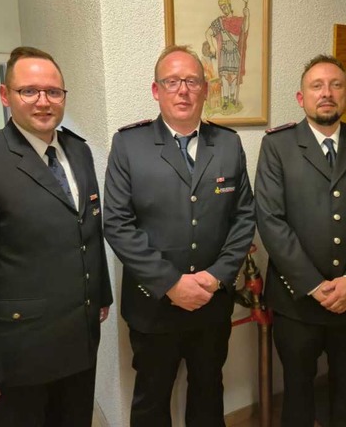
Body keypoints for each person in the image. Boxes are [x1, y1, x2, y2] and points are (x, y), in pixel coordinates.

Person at [0, 46, 113, 426]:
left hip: (79, 341)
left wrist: (100, 294)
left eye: (53, 92)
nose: (43, 102)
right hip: (20, 355)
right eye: (29, 91)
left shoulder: (78, 151)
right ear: (5, 95)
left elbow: (88, 231)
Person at [103, 45, 255, 426]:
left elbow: (243, 217)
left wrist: (216, 277)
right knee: (151, 400)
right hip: (153, 306)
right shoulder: (129, 145)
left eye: (191, 81)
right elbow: (117, 223)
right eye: (172, 82)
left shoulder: (228, 143)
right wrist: (170, 283)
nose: (183, 90)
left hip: (211, 302)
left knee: (208, 392)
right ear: (156, 90)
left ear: (206, 90)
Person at [254, 54, 346, 426]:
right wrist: (314, 285)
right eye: (316, 86)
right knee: (298, 394)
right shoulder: (278, 146)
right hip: (297, 300)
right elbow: (271, 221)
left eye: (335, 85)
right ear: (301, 98)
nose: (326, 93)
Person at [205, 0, 249, 110]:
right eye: (221, 7)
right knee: (224, 79)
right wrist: (212, 46)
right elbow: (208, 33)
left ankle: (232, 99)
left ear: (229, 4)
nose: (224, 8)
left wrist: (248, 16)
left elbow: (245, 30)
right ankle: (225, 101)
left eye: (225, 5)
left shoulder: (239, 20)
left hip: (234, 53)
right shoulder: (220, 21)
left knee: (234, 78)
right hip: (224, 53)